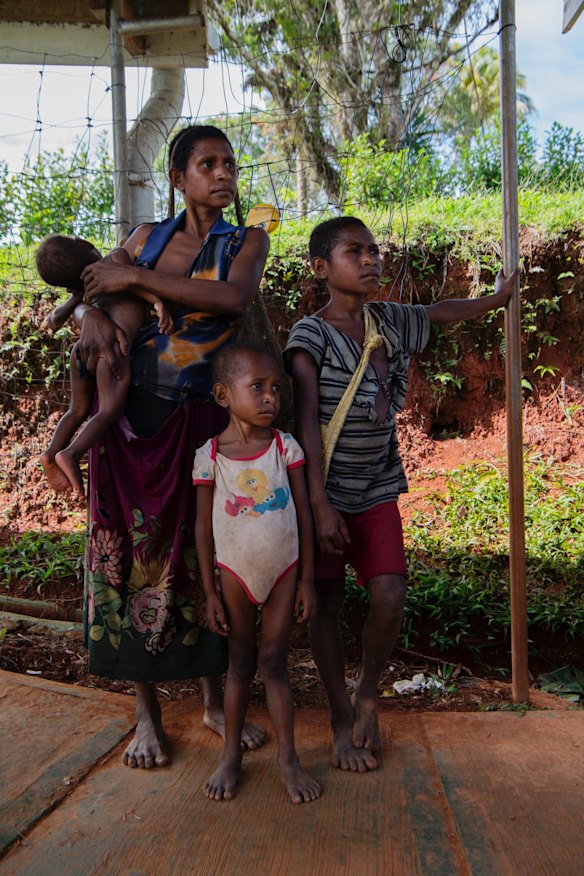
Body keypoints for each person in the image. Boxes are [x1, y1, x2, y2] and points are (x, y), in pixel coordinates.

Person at [284, 216, 519, 772]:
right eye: (354, 251)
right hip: (325, 494)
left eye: (374, 250)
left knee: (389, 595)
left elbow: (441, 313)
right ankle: (341, 718)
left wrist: (497, 297)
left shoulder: (389, 320)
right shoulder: (309, 336)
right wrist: (317, 504)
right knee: (328, 607)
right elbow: (305, 425)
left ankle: (367, 692)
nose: (370, 260)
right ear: (321, 267)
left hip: (377, 488)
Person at [72, 124, 271, 768]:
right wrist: (94, 313)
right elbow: (91, 289)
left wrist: (146, 286)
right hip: (132, 425)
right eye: (207, 164)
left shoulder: (244, 241)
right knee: (132, 554)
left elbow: (231, 297)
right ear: (178, 178)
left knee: (201, 557)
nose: (222, 174)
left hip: (203, 422)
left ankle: (213, 704)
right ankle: (146, 715)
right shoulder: (142, 239)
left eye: (229, 164)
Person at [193, 342, 321, 804]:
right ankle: (231, 756)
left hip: (284, 571)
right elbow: (203, 528)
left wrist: (307, 578)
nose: (271, 398)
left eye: (276, 389)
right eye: (258, 388)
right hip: (233, 575)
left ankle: (289, 759)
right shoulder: (210, 455)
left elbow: (303, 514)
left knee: (275, 664)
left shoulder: (285, 447)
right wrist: (209, 590)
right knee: (240, 664)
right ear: (223, 394)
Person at [37, 234, 172, 496]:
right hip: (113, 348)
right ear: (85, 243)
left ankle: (51, 451)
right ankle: (71, 454)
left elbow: (55, 319)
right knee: (108, 409)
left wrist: (75, 298)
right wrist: (155, 300)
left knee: (76, 409)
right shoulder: (116, 257)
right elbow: (132, 280)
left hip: (82, 350)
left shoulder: (83, 291)